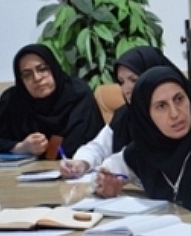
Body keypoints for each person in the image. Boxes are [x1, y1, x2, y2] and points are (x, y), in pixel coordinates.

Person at [95, 65, 191, 228]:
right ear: (145, 115)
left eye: (179, 99)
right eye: (161, 106)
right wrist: (108, 183)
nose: (175, 113)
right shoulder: (149, 144)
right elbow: (112, 167)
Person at [59, 46, 183, 178]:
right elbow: (98, 147)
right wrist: (81, 163)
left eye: (134, 80)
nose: (126, 89)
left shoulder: (178, 116)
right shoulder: (125, 115)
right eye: (121, 82)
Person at [0, 43, 104, 160]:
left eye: (42, 69)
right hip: (21, 177)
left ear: (54, 68)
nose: (37, 78)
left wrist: (45, 149)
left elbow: (79, 145)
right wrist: (21, 147)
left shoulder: (77, 94)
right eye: (27, 75)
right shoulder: (13, 100)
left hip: (75, 174)